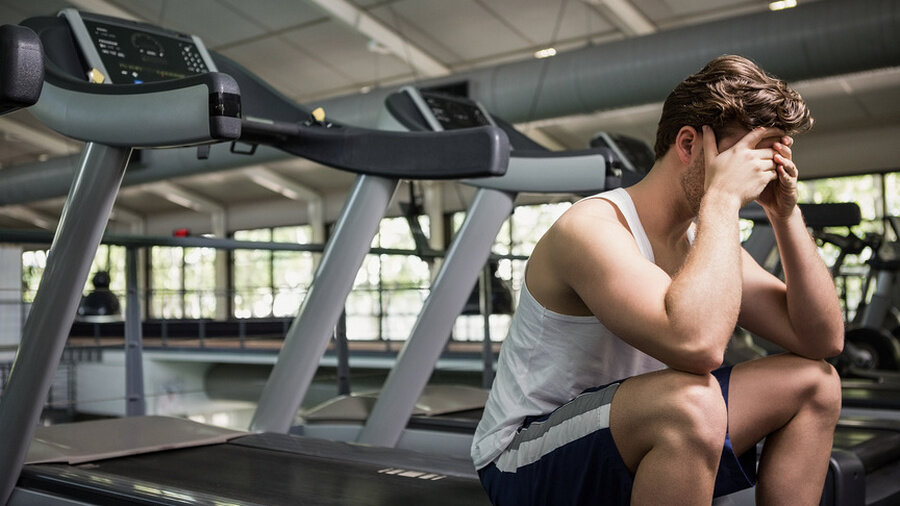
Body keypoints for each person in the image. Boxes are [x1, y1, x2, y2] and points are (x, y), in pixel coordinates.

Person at [471, 55, 844, 505]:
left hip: (627, 435)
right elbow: (698, 347)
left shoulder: (697, 239)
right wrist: (723, 198)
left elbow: (821, 340)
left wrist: (784, 214)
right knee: (692, 401)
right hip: (523, 460)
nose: (755, 176)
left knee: (817, 382)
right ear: (688, 144)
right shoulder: (592, 227)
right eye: (746, 159)